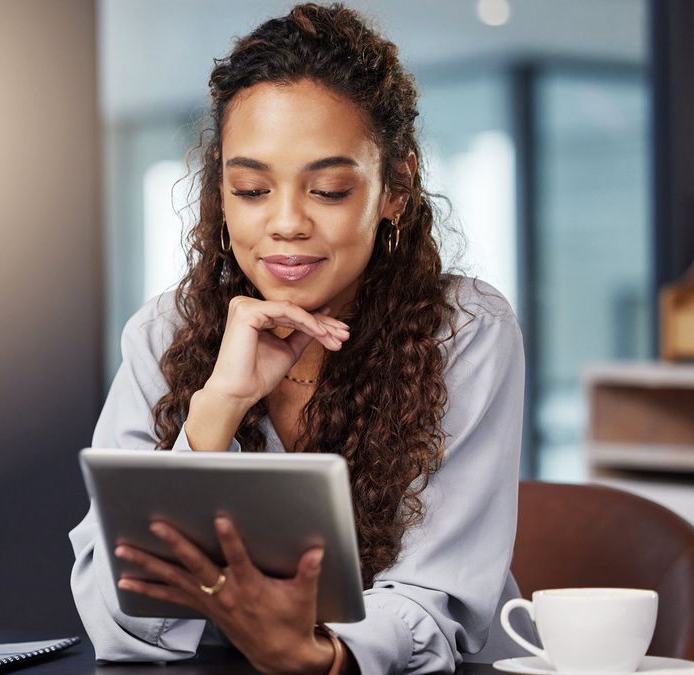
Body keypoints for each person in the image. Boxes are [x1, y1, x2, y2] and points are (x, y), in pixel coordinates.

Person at [70, 3, 528, 673]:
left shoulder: (463, 331)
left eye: (330, 189)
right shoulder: (162, 334)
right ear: (221, 196)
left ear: (395, 188)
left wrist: (324, 654)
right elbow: (119, 623)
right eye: (252, 188)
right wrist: (214, 414)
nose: (285, 223)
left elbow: (439, 597)